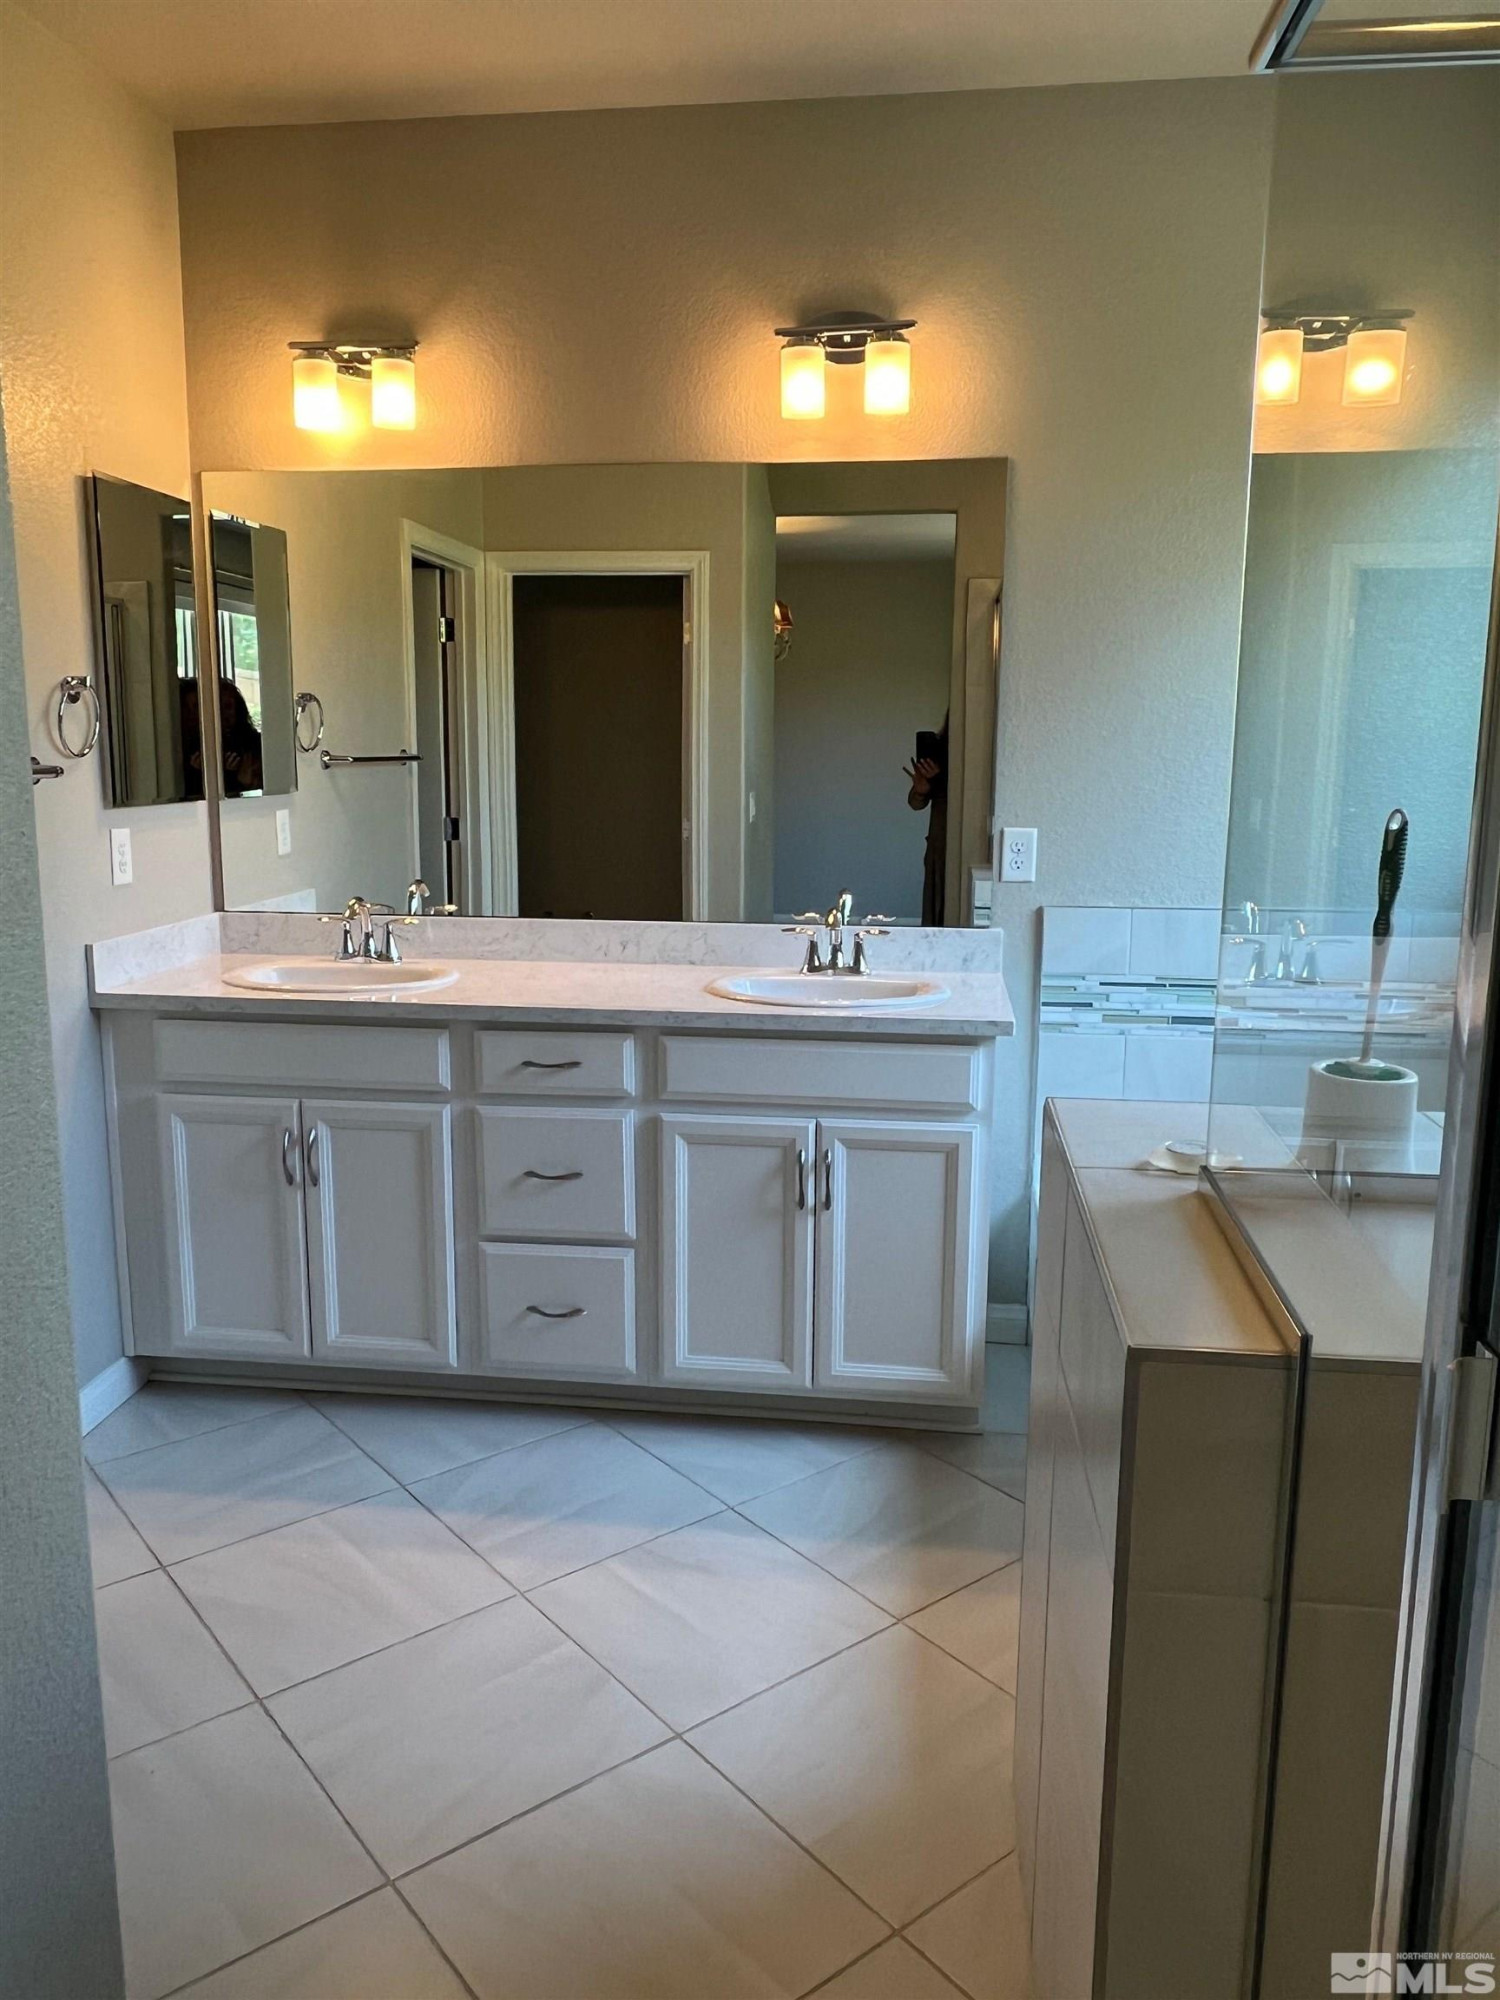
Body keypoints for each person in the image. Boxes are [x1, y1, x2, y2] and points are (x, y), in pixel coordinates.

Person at [905, 714, 949, 926]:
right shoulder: (941, 750)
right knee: (935, 912)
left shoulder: (971, 755)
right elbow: (915, 803)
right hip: (939, 846)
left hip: (963, 843)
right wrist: (922, 788)